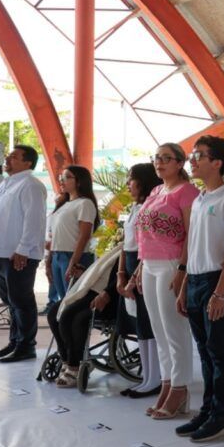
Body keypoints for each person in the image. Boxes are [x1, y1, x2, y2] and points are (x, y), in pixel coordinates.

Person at [176, 136, 224, 442]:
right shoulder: (200, 198)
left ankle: (221, 414)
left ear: (217, 163)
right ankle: (207, 409)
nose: (193, 160)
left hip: (216, 280)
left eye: (199, 155)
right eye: (193, 155)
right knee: (203, 351)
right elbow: (193, 245)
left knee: (219, 352)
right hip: (196, 280)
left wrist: (221, 292)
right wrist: (184, 285)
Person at [131, 143, 198, 420]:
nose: (159, 163)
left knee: (174, 330)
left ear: (180, 163)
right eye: (156, 158)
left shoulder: (187, 193)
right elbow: (144, 234)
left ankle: (180, 388)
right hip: (149, 264)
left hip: (171, 264)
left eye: (166, 159)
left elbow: (192, 235)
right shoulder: (157, 191)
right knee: (159, 331)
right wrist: (139, 267)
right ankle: (168, 383)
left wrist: (182, 269)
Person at [0, 145, 47, 363]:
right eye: (8, 156)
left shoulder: (31, 185)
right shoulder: (5, 184)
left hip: (18, 254)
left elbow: (34, 220)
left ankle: (26, 346)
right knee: (11, 301)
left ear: (28, 163)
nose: (8, 159)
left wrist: (23, 249)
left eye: (14, 157)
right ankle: (15, 341)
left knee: (21, 300)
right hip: (1, 252)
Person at [117, 163, 163, 399]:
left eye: (131, 179)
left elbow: (147, 243)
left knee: (148, 321)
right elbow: (125, 243)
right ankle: (146, 377)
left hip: (144, 263)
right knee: (140, 323)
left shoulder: (150, 206)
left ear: (143, 181)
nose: (128, 184)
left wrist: (135, 273)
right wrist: (120, 274)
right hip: (131, 262)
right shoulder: (135, 206)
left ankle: (155, 378)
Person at [48, 246, 122, 388]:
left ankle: (74, 365)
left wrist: (107, 293)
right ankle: (65, 358)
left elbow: (123, 275)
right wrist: (83, 273)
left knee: (71, 316)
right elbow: (101, 272)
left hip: (111, 298)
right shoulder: (118, 247)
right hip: (93, 291)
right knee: (53, 313)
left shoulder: (133, 250)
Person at [44, 166, 99, 343]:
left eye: (67, 177)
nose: (62, 180)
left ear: (79, 181)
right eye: (62, 176)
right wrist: (49, 260)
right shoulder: (64, 204)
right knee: (61, 304)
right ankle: (67, 350)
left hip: (74, 257)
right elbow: (55, 235)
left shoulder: (85, 203)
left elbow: (84, 236)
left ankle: (74, 350)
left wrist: (73, 262)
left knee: (71, 307)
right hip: (58, 256)